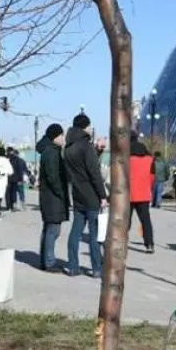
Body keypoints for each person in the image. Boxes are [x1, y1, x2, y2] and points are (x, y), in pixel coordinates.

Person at [63, 113, 106, 277]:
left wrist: (97, 152)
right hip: (91, 196)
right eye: (89, 126)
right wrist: (103, 195)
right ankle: (96, 268)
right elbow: (93, 172)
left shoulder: (68, 147)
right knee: (94, 234)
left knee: (75, 232)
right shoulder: (86, 146)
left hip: (77, 194)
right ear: (84, 127)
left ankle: (73, 265)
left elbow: (74, 171)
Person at [35, 124, 70, 271]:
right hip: (53, 198)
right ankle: (49, 262)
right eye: (61, 136)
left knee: (49, 229)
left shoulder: (51, 151)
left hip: (50, 197)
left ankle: (45, 260)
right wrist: (61, 193)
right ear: (55, 137)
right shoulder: (51, 153)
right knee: (53, 230)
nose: (63, 139)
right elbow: (53, 176)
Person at [129, 134, 156, 253]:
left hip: (128, 194)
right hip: (144, 194)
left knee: (125, 221)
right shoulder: (150, 159)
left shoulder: (126, 158)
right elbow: (152, 177)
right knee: (145, 220)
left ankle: (122, 241)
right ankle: (149, 244)